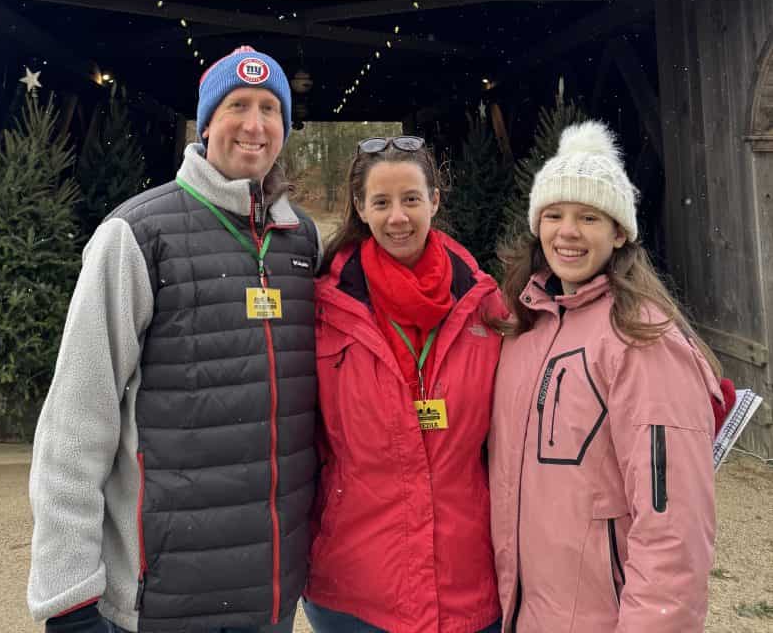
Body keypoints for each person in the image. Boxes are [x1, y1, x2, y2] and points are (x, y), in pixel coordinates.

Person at [28, 47, 321, 633]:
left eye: (270, 109)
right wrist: (66, 594)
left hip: (268, 600)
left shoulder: (300, 240)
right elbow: (76, 419)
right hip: (161, 600)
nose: (254, 124)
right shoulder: (136, 234)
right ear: (206, 122)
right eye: (237, 105)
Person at [488, 121, 722, 633]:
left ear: (619, 233)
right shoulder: (523, 327)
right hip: (527, 614)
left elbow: (674, 529)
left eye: (589, 217)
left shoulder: (644, 341)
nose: (567, 232)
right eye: (554, 215)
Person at [304, 135, 504, 633]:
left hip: (465, 580)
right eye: (382, 202)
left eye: (411, 199)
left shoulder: (485, 307)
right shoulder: (324, 309)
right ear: (360, 209)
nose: (398, 217)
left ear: (434, 200)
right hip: (356, 583)